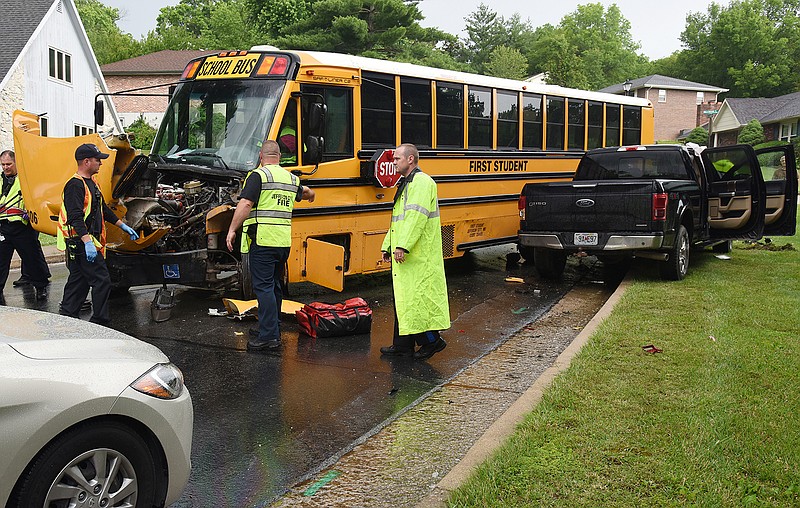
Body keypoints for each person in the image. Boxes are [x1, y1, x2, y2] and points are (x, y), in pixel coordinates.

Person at [226, 139, 315, 351]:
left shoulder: (259, 175)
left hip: (263, 241)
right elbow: (307, 193)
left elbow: (246, 203)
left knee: (263, 288)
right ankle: (271, 326)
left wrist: (232, 230)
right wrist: (312, 196)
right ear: (280, 157)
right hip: (282, 243)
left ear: (260, 157)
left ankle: (269, 337)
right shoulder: (291, 178)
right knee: (273, 285)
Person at [379, 143, 450, 360]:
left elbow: (416, 219)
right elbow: (398, 221)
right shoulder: (408, 183)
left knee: (416, 301)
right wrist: (388, 245)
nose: (394, 162)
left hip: (419, 255)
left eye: (397, 158)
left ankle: (433, 341)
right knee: (404, 300)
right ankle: (402, 345)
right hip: (410, 254)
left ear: (411, 159)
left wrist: (402, 246)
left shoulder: (421, 183)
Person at [58, 143, 139, 325]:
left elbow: (101, 208)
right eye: (97, 160)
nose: (100, 164)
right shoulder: (74, 185)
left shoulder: (91, 183)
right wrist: (86, 242)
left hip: (84, 241)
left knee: (80, 280)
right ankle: (100, 320)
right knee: (101, 280)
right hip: (81, 242)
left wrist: (122, 225)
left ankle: (68, 314)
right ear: (86, 162)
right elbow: (75, 217)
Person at [0, 150, 51, 300]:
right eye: (3, 164)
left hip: (23, 227)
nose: (5, 167)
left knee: (32, 259)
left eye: (8, 164)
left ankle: (40, 287)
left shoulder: (26, 179)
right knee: (1, 261)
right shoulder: (1, 180)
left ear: (17, 163)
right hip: (4, 227)